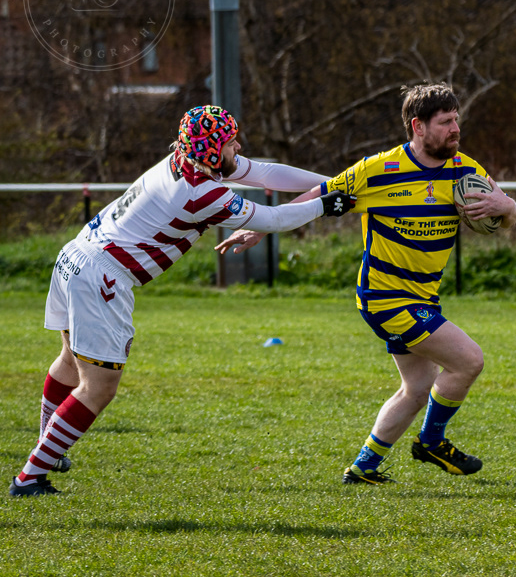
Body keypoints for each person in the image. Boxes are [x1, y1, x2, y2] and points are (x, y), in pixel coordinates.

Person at [9, 105, 354, 497]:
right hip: (101, 275)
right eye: (229, 142)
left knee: (71, 360)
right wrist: (328, 203)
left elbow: (266, 172)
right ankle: (29, 478)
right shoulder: (200, 193)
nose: (237, 146)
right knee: (99, 386)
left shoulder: (186, 159)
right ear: (210, 149)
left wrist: (337, 181)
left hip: (76, 254)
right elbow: (273, 219)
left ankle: (46, 449)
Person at [217, 84, 516, 484]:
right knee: (469, 361)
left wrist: (509, 207)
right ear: (418, 126)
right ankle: (431, 441)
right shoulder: (378, 170)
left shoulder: (466, 169)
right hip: (386, 298)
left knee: (417, 388)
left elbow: (503, 215)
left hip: (423, 297)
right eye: (445, 122)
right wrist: (262, 228)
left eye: (456, 120)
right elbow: (317, 194)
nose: (455, 129)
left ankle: (364, 467)